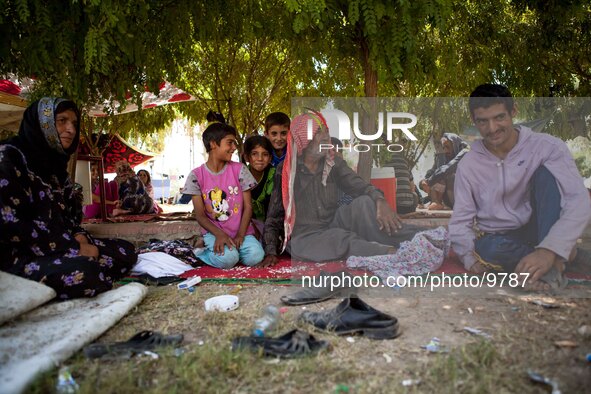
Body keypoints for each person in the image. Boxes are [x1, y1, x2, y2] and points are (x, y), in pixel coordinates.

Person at [449, 84, 591, 290]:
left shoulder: (547, 147)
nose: (492, 128)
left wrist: (548, 248)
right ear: (474, 121)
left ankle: (550, 258)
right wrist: (470, 261)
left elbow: (577, 202)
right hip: (503, 240)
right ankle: (561, 260)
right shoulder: (468, 164)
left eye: (499, 117)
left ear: (513, 111)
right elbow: (461, 221)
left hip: (543, 228)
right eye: (483, 121)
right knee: (485, 248)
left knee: (545, 174)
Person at [0, 97, 137, 299]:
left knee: (126, 251)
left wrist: (79, 235)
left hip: (61, 246)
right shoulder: (8, 158)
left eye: (74, 123)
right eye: (62, 120)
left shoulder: (57, 170)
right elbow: (9, 224)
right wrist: (74, 247)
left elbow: (68, 220)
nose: (71, 129)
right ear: (42, 123)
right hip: (17, 255)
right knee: (86, 273)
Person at [261, 111, 423, 267]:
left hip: (333, 223)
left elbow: (360, 187)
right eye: (320, 133)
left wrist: (380, 201)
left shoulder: (334, 163)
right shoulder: (287, 170)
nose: (326, 138)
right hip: (305, 237)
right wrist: (270, 251)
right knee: (341, 239)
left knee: (364, 203)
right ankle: (391, 253)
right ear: (306, 140)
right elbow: (274, 216)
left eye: (326, 132)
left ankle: (422, 238)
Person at [183, 122, 265, 268]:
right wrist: (219, 235)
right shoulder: (196, 176)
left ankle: (233, 253)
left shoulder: (240, 170)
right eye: (230, 143)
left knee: (256, 257)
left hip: (242, 231)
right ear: (213, 144)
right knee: (228, 260)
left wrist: (241, 234)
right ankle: (201, 252)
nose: (234, 147)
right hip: (214, 233)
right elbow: (200, 215)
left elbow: (248, 207)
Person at [420, 133, 469, 210]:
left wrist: (429, 182)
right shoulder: (447, 156)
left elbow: (447, 168)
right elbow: (433, 171)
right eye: (443, 147)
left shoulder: (466, 152)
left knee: (447, 175)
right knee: (437, 173)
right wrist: (424, 181)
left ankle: (437, 202)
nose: (445, 150)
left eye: (447, 147)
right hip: (453, 199)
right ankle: (436, 202)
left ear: (455, 144)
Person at [242, 135, 275, 235]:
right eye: (254, 154)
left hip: (271, 226)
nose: (260, 158)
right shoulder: (240, 175)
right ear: (247, 157)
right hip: (245, 226)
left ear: (270, 158)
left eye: (265, 154)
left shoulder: (275, 175)